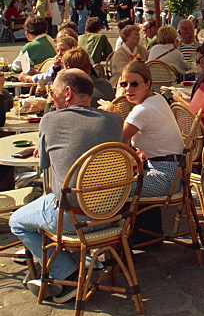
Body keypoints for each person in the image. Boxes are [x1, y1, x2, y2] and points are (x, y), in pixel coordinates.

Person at [10, 69, 124, 302]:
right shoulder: (114, 120)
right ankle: (83, 266)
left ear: (68, 92)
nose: (52, 98)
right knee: (54, 201)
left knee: (18, 222)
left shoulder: (50, 120)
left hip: (73, 220)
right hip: (111, 213)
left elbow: (42, 164)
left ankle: (67, 273)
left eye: (53, 93)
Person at [99, 59, 184, 197]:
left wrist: (112, 114)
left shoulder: (143, 110)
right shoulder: (157, 98)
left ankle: (119, 218)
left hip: (165, 177)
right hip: (174, 170)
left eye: (134, 84)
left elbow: (116, 139)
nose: (128, 89)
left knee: (109, 188)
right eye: (123, 84)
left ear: (148, 84)